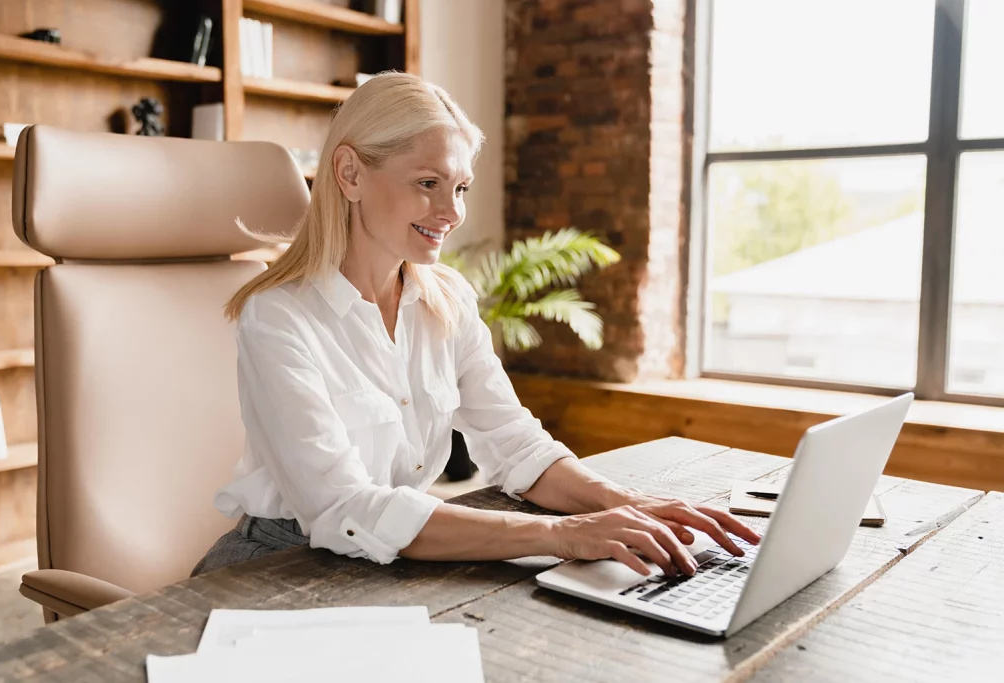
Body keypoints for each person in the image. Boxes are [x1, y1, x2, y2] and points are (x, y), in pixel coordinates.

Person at [191, 72, 760, 579]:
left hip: (390, 560)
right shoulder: (279, 315)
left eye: (460, 187)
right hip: (277, 565)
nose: (453, 212)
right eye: (428, 183)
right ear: (350, 173)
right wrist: (563, 535)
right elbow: (344, 507)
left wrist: (625, 504)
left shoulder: (448, 301)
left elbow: (516, 445)